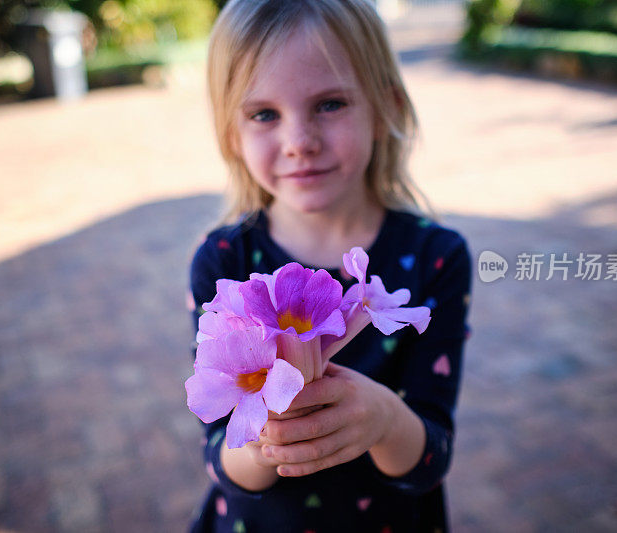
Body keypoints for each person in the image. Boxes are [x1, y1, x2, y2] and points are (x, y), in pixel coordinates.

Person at [188, 1, 472, 531]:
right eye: (263, 114)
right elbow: (218, 456)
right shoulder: (222, 261)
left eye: (330, 104)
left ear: (385, 108)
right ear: (232, 133)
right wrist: (266, 437)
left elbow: (431, 458)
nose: (300, 142)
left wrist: (385, 418)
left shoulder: (438, 256)